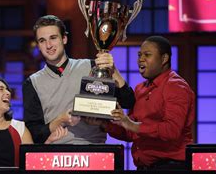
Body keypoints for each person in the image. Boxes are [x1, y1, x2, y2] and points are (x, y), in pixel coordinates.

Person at [23, 15, 135, 144]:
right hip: (55, 155)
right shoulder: (32, 83)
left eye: (53, 38)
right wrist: (61, 120)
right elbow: (34, 133)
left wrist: (114, 71)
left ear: (64, 39)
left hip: (94, 151)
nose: (48, 45)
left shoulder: (92, 67)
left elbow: (128, 102)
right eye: (42, 40)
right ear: (38, 45)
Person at [100, 36, 195, 170]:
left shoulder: (176, 86)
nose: (141, 59)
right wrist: (105, 124)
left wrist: (130, 124)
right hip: (143, 169)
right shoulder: (140, 88)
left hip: (172, 169)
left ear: (164, 59)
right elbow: (132, 133)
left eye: (147, 55)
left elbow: (171, 130)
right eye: (139, 55)